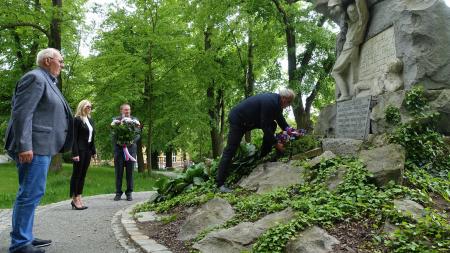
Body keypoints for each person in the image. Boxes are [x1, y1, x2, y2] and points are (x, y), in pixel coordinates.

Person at [4, 48, 73, 253]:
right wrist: (25, 145)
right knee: (29, 193)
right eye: (60, 61)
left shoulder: (46, 80)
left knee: (32, 192)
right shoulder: (35, 78)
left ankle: (25, 236)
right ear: (48, 60)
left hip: (42, 146)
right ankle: (20, 244)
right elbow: (22, 113)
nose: (62, 64)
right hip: (33, 147)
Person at [216, 88, 295, 193]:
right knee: (231, 149)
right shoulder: (270, 102)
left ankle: (263, 155)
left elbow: (282, 122)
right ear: (284, 99)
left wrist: (294, 132)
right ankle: (220, 184)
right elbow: (264, 126)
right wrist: (276, 144)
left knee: (273, 124)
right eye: (289, 102)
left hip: (250, 121)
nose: (288, 105)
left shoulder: (277, 105)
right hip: (238, 120)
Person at [330, 0, 369, 101]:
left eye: (352, 11)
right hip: (349, 48)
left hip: (351, 47)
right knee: (355, 72)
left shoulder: (361, 21)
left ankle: (345, 94)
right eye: (349, 12)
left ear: (357, 11)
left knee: (335, 71)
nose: (351, 14)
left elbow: (362, 9)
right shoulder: (351, 23)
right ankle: (356, 92)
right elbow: (342, 12)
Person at [70, 100, 96, 210]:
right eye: (87, 106)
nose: (89, 108)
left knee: (83, 175)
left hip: (88, 151)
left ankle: (79, 196)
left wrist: (93, 152)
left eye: (90, 106)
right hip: (79, 151)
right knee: (77, 174)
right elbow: (73, 138)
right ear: (82, 107)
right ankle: (75, 198)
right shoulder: (76, 120)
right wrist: (75, 153)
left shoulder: (90, 120)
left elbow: (92, 137)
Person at [112, 103, 140, 201]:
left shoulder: (135, 120)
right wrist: (120, 142)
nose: (127, 111)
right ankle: (118, 193)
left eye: (128, 110)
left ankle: (129, 193)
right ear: (121, 111)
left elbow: (137, 134)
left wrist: (131, 141)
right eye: (125, 110)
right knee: (118, 172)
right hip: (119, 150)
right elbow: (113, 134)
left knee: (130, 172)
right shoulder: (116, 121)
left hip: (131, 150)